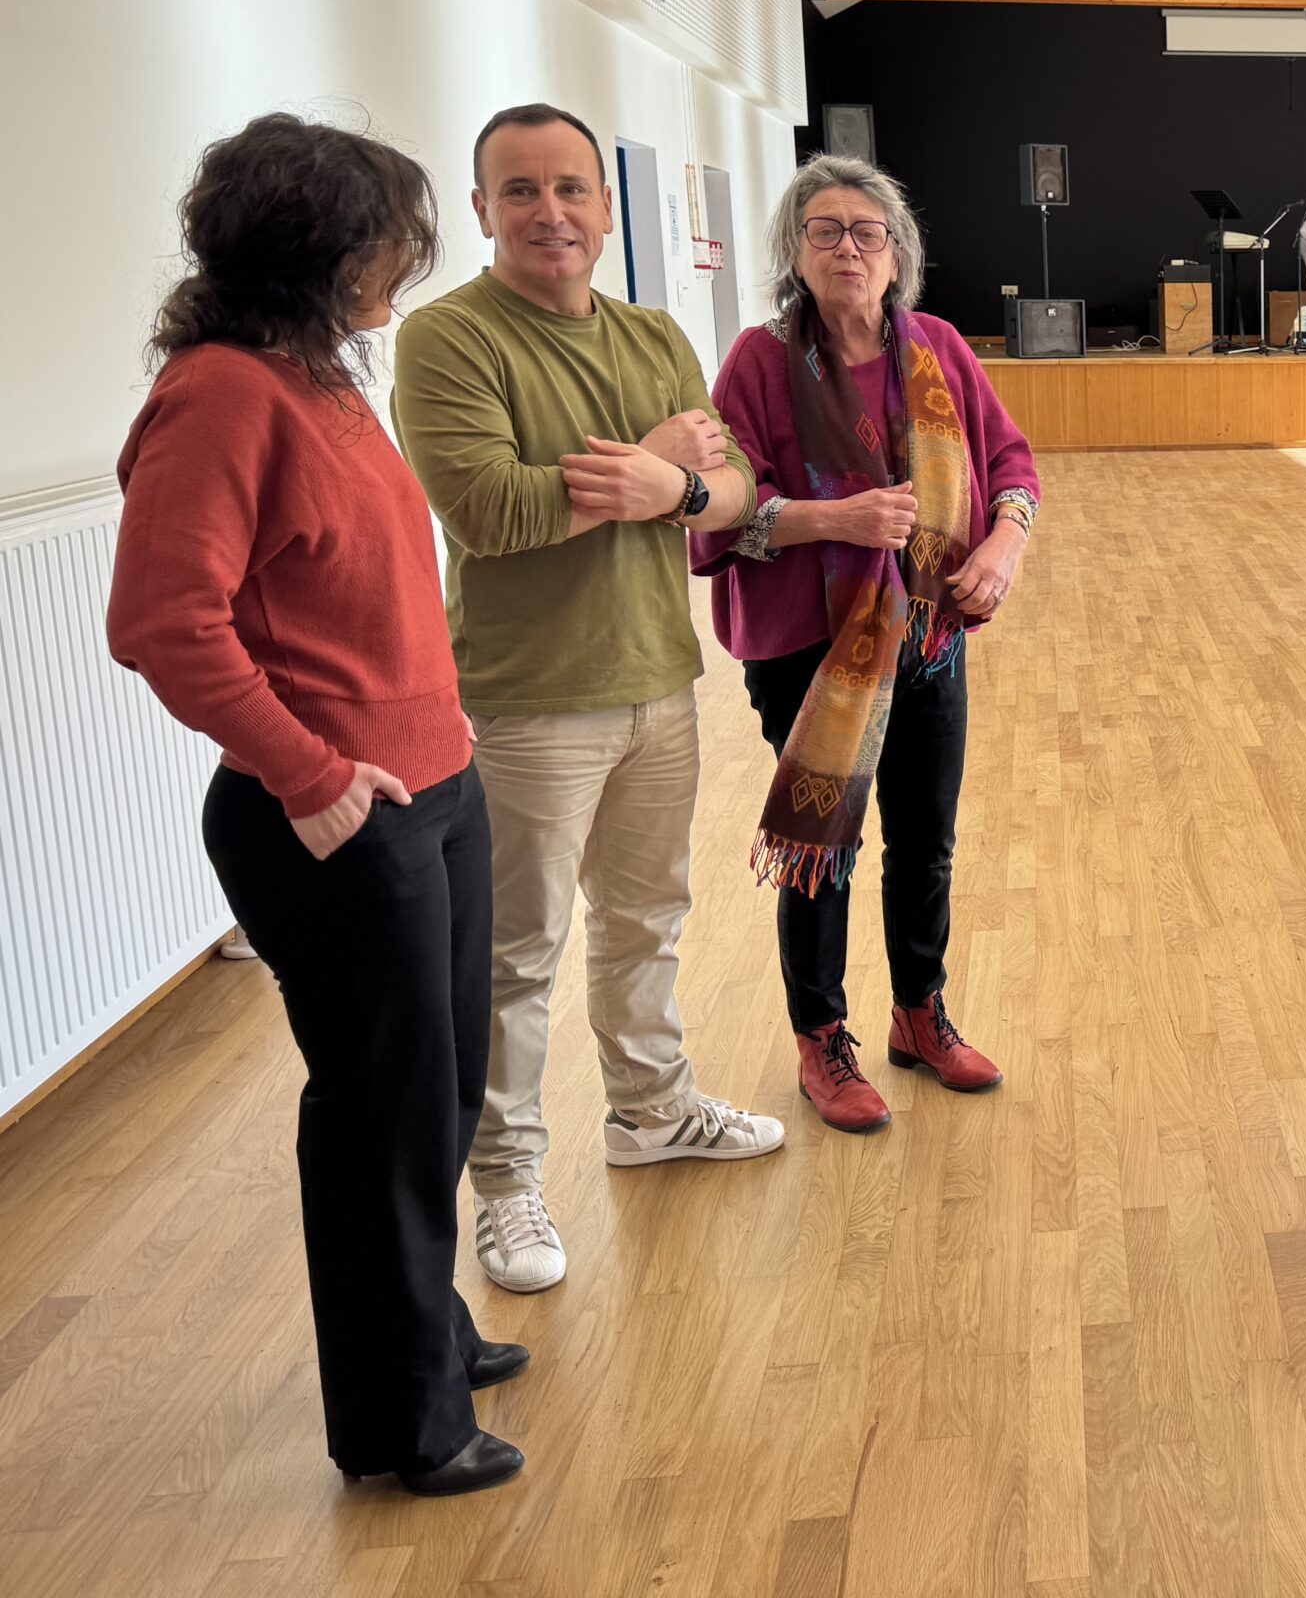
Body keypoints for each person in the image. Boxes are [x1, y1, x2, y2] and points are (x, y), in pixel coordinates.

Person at [108, 113, 527, 1496]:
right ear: (319, 250)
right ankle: (405, 1424)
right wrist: (309, 773)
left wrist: (435, 730)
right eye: (387, 244)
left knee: (440, 1091)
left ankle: (430, 1334)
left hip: (430, 783)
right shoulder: (222, 395)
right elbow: (161, 621)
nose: (402, 265)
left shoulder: (322, 378)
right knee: (379, 1116)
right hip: (336, 817)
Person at [391, 103, 785, 1297]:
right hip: (529, 704)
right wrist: (657, 469)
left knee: (645, 920)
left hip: (658, 678)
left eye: (570, 188)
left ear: (607, 208)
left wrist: (678, 487)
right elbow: (490, 512)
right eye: (520, 191)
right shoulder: (449, 338)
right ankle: (506, 1178)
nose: (549, 212)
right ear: (482, 210)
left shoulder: (654, 333)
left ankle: (651, 1113)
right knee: (515, 953)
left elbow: (736, 486)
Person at [692, 157, 1036, 1129]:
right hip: (809, 648)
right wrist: (832, 521)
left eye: (867, 232)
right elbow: (721, 513)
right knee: (824, 847)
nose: (847, 247)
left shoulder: (938, 350)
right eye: (825, 231)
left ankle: (919, 1015)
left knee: (925, 842)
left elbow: (1011, 464)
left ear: (896, 255)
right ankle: (822, 1039)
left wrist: (1003, 544)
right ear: (795, 253)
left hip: (928, 636)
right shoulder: (761, 363)